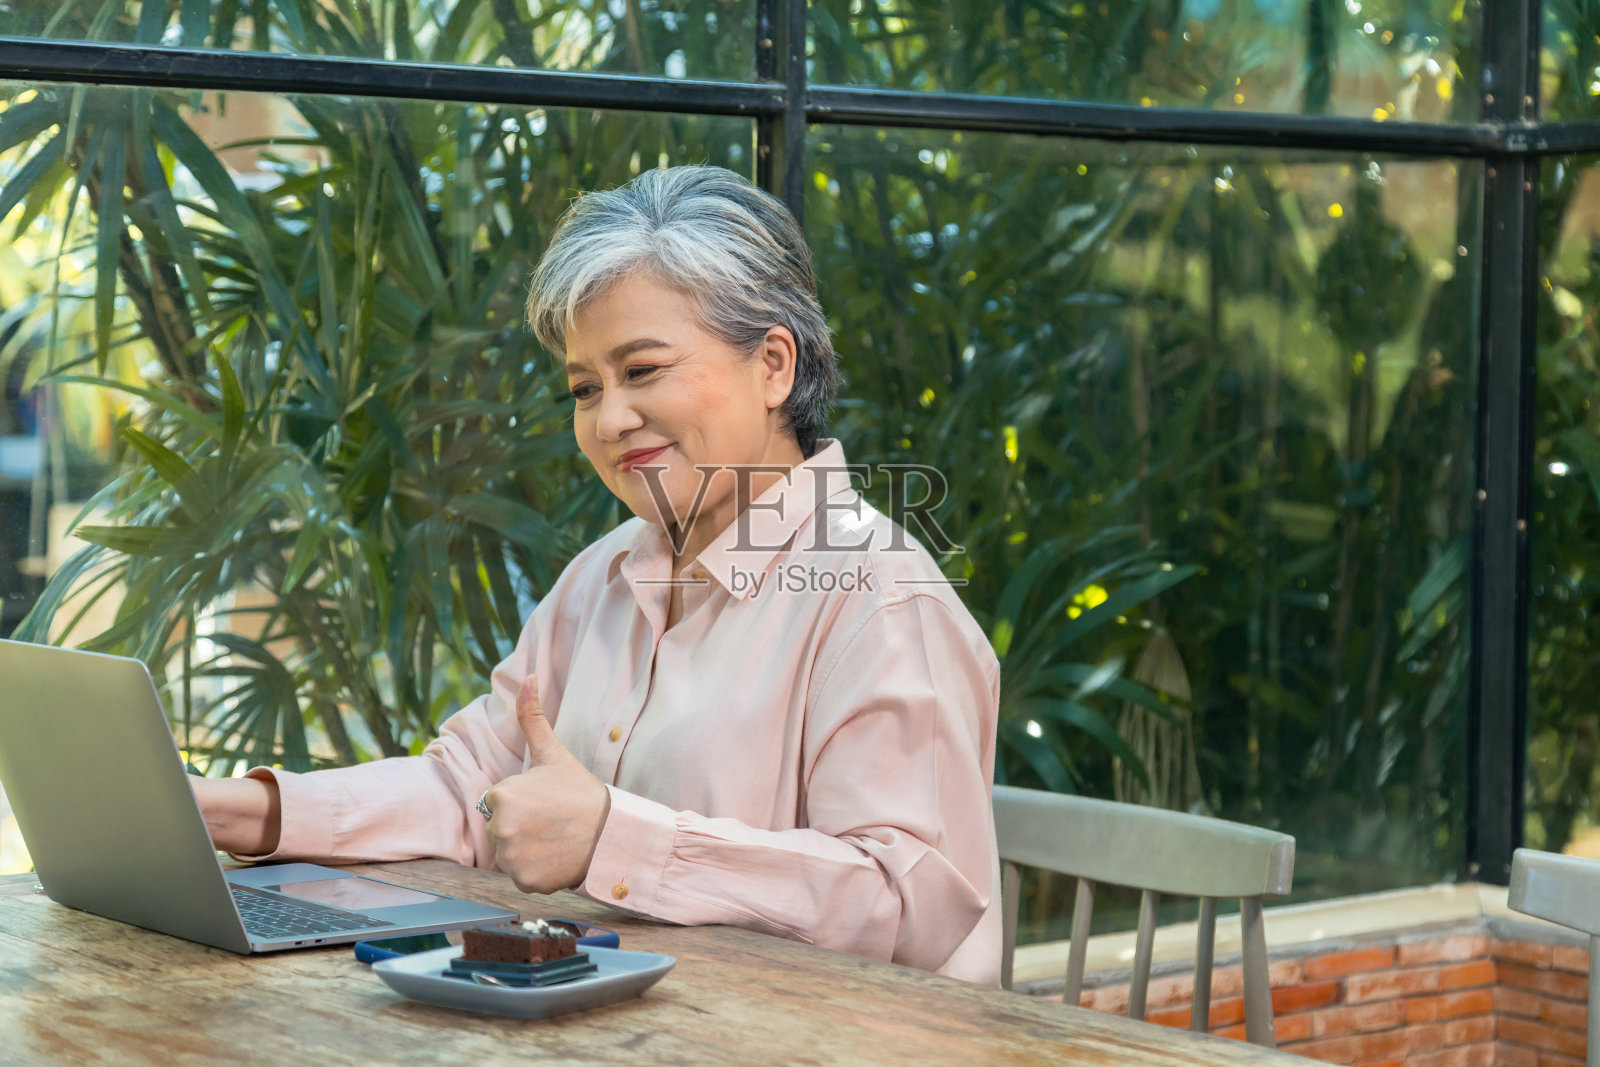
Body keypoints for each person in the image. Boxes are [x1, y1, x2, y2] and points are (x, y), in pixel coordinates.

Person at [192, 165, 1003, 985]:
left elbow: (908, 907)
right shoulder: (603, 575)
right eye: (586, 387)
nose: (611, 419)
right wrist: (234, 810)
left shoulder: (884, 596)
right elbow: (470, 788)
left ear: (774, 366)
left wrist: (612, 836)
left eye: (643, 370)